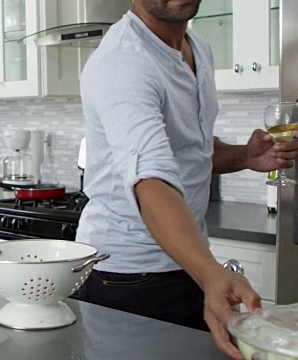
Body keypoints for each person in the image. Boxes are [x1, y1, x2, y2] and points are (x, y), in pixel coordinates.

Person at [73, 1, 298, 359]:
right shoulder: (122, 61)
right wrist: (211, 275)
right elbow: (151, 181)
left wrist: (244, 156)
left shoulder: (199, 49)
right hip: (128, 277)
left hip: (187, 261)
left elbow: (188, 150)